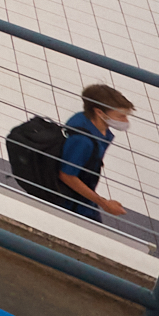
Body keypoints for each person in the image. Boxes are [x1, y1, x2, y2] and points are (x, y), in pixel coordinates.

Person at [58, 85, 134, 221]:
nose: (125, 121)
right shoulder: (82, 141)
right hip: (73, 203)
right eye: (121, 116)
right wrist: (104, 204)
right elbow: (67, 175)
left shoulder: (92, 125)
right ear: (99, 112)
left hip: (84, 198)